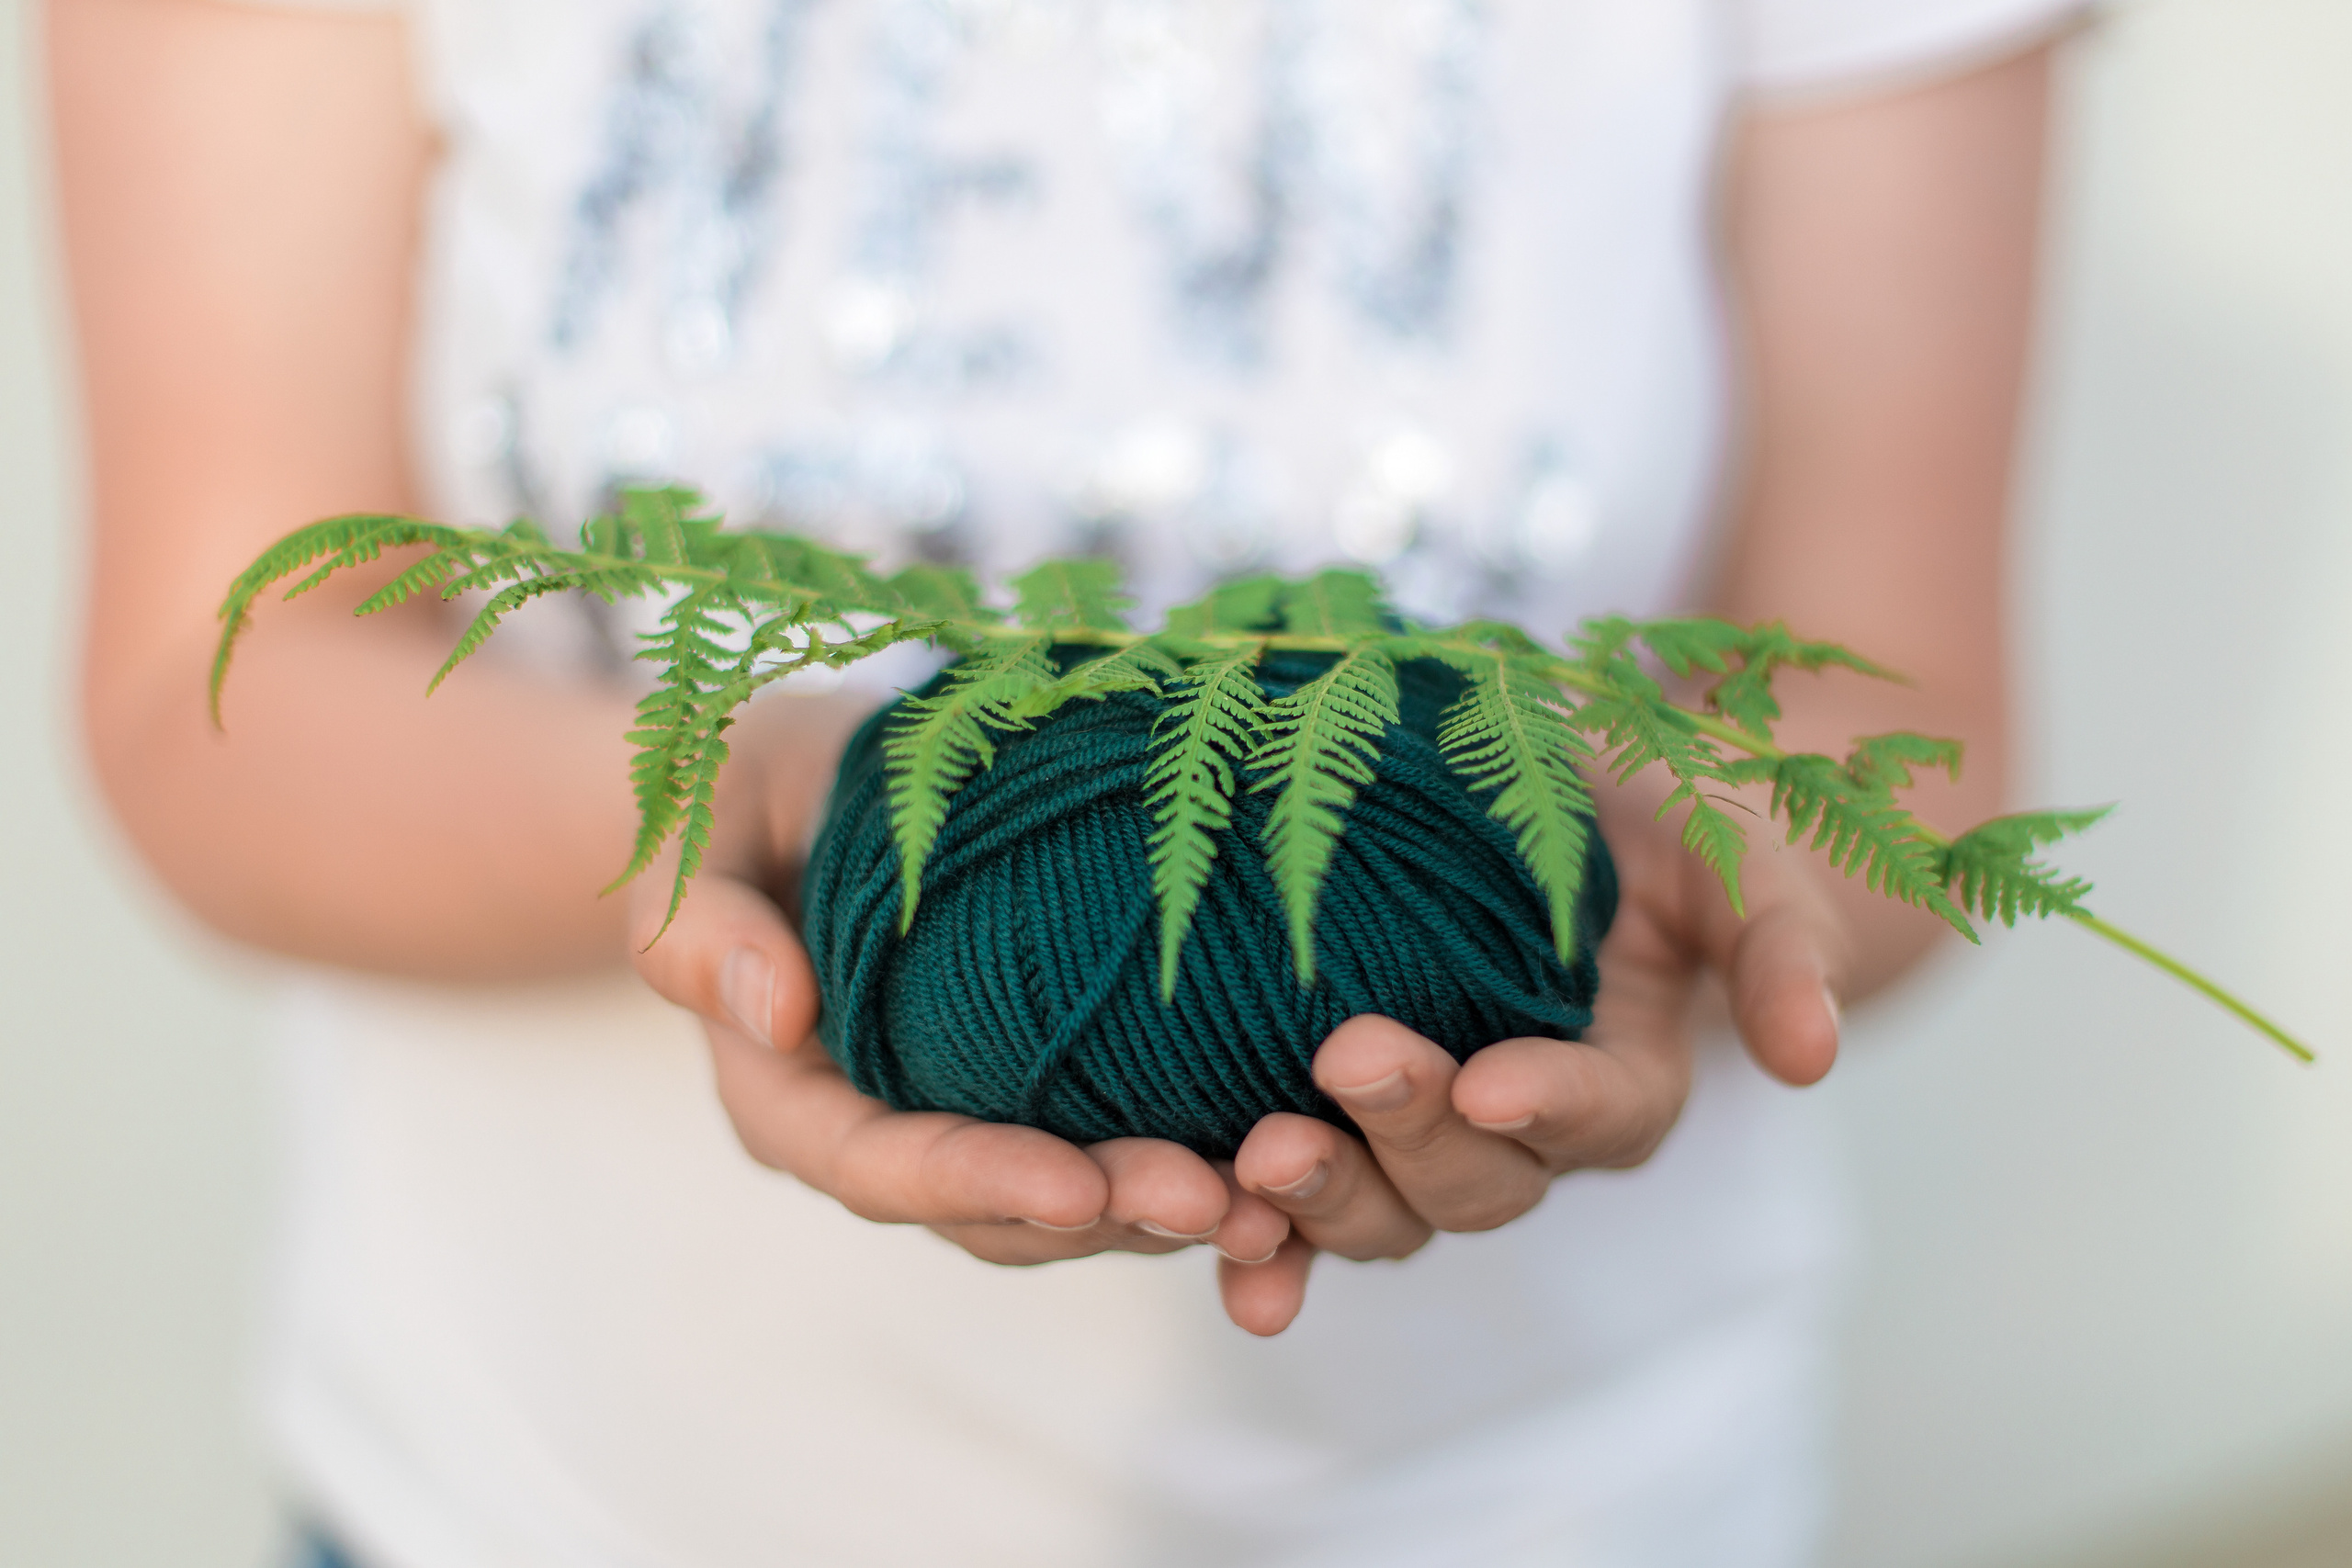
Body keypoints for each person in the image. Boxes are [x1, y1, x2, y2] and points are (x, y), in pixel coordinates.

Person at [55, 0, 2075, 1562]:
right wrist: (740, 807)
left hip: (1545, 1505)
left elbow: (1894, 732)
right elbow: (212, 682)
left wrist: (1690, 874)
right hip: (537, 1493)